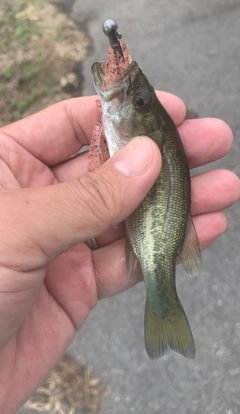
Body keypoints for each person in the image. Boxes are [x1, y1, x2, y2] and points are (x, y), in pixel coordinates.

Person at [0, 93, 239, 412]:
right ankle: (165, 313)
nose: (130, 99)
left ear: (148, 130)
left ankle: (164, 305)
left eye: (139, 102)